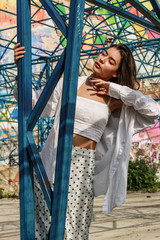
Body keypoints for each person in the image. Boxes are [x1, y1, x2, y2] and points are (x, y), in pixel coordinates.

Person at [13, 42, 160, 240]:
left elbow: (152, 110)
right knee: (41, 224)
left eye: (111, 61)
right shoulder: (70, 82)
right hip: (51, 159)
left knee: (73, 227)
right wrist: (19, 70)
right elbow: (32, 103)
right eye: (104, 54)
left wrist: (114, 89)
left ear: (116, 72)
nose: (101, 59)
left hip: (82, 166)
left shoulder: (113, 98)